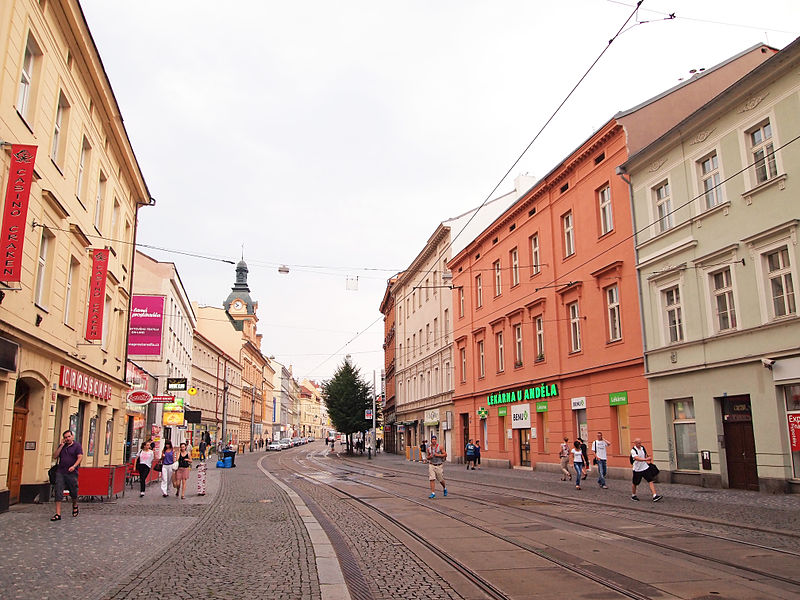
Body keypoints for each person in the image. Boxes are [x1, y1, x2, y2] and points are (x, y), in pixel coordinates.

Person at [51, 430, 83, 521]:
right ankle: (58, 514)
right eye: (65, 437)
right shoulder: (62, 446)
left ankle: (75, 504)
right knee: (58, 491)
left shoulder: (77, 446)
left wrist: (74, 466)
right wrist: (61, 445)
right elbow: (55, 456)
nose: (67, 439)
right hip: (60, 471)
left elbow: (80, 457)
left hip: (72, 472)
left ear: (72, 436)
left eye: (69, 436)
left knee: (73, 492)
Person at [426, 434, 447, 498]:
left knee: (440, 479)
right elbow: (427, 457)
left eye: (435, 439)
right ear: (431, 440)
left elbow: (445, 454)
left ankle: (444, 488)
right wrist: (430, 457)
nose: (434, 440)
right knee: (432, 478)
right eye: (433, 439)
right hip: (431, 465)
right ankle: (433, 493)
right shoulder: (429, 448)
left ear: (436, 440)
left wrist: (438, 455)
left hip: (439, 465)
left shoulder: (440, 447)